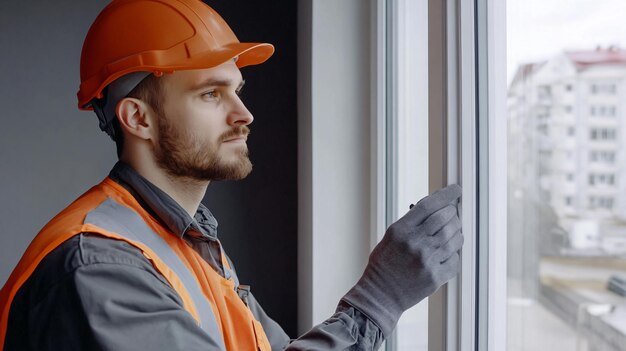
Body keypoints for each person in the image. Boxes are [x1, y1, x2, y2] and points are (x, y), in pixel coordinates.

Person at [0, 0, 464, 350]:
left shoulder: (185, 240)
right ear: (138, 119)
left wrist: (377, 301)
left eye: (236, 90)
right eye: (210, 94)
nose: (244, 114)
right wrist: (378, 301)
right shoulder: (101, 267)